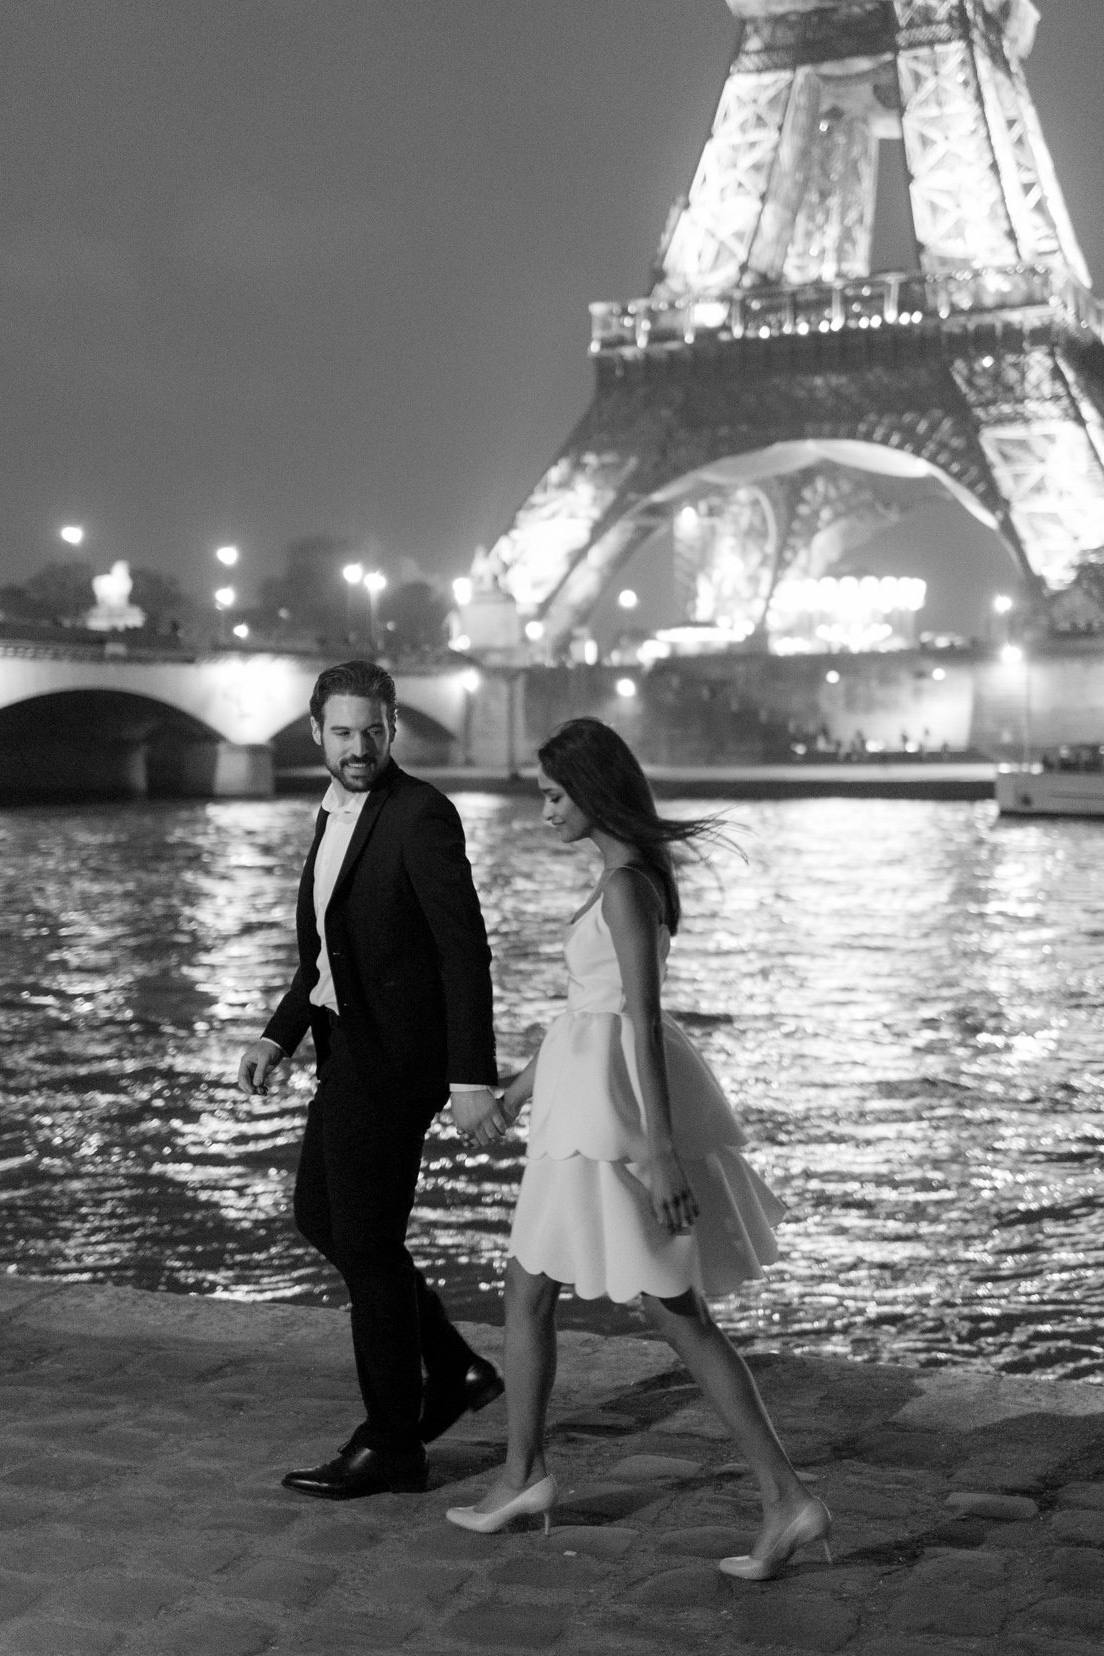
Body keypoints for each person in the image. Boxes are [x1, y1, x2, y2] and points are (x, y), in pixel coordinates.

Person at [445, 716, 831, 1582]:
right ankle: (524, 1474)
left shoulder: (625, 887)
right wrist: (511, 1094)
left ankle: (780, 1495)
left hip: (608, 1123)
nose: (542, 810)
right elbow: (587, 1015)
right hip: (583, 1110)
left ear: (592, 792)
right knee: (541, 1291)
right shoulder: (623, 878)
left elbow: (640, 1024)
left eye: (552, 795)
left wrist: (659, 1153)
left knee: (670, 1311)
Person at [236, 660, 507, 1498]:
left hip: (396, 1063)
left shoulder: (422, 815)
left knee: (361, 1240)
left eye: (375, 731)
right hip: (345, 1050)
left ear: (395, 728)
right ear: (316, 732)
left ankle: (393, 1440)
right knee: (323, 1218)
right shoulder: (333, 813)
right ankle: (453, 1368)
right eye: (344, 733)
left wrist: (471, 1077)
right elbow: (325, 951)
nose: (360, 747)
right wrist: (278, 1034)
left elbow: (464, 951)